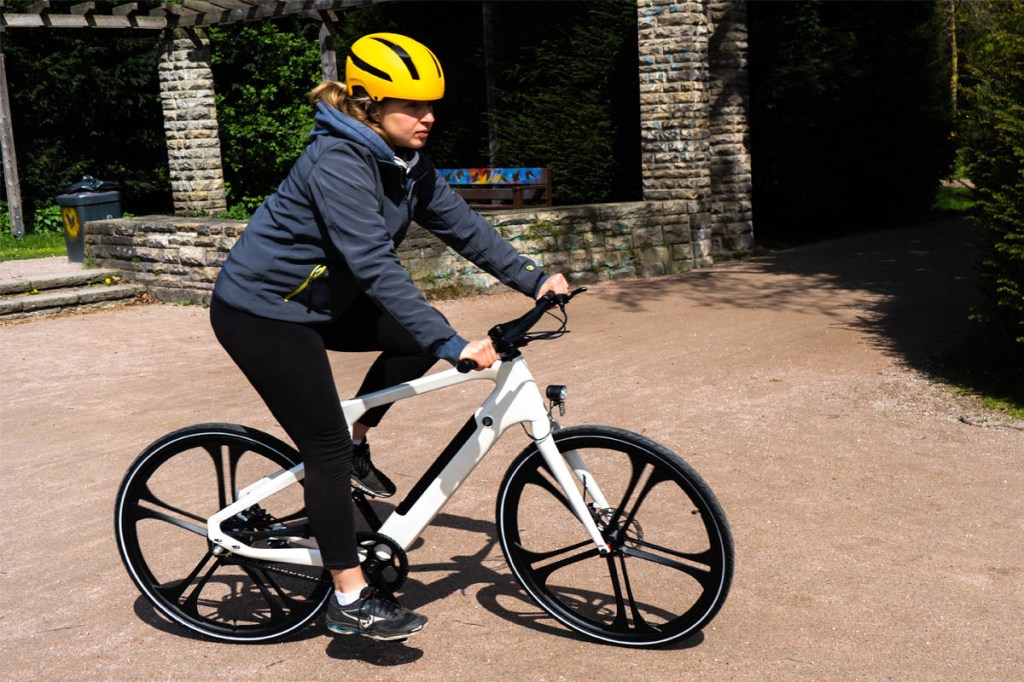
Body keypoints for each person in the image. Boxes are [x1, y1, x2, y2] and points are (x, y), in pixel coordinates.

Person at [209, 32, 569, 642]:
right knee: (320, 450)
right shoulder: (338, 162)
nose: (428, 117)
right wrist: (451, 344)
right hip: (264, 312)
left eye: (433, 105)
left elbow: (464, 226)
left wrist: (533, 279)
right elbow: (375, 263)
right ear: (368, 104)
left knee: (406, 339)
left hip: (323, 302)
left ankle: (358, 439)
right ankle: (348, 599)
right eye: (413, 106)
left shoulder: (404, 162)